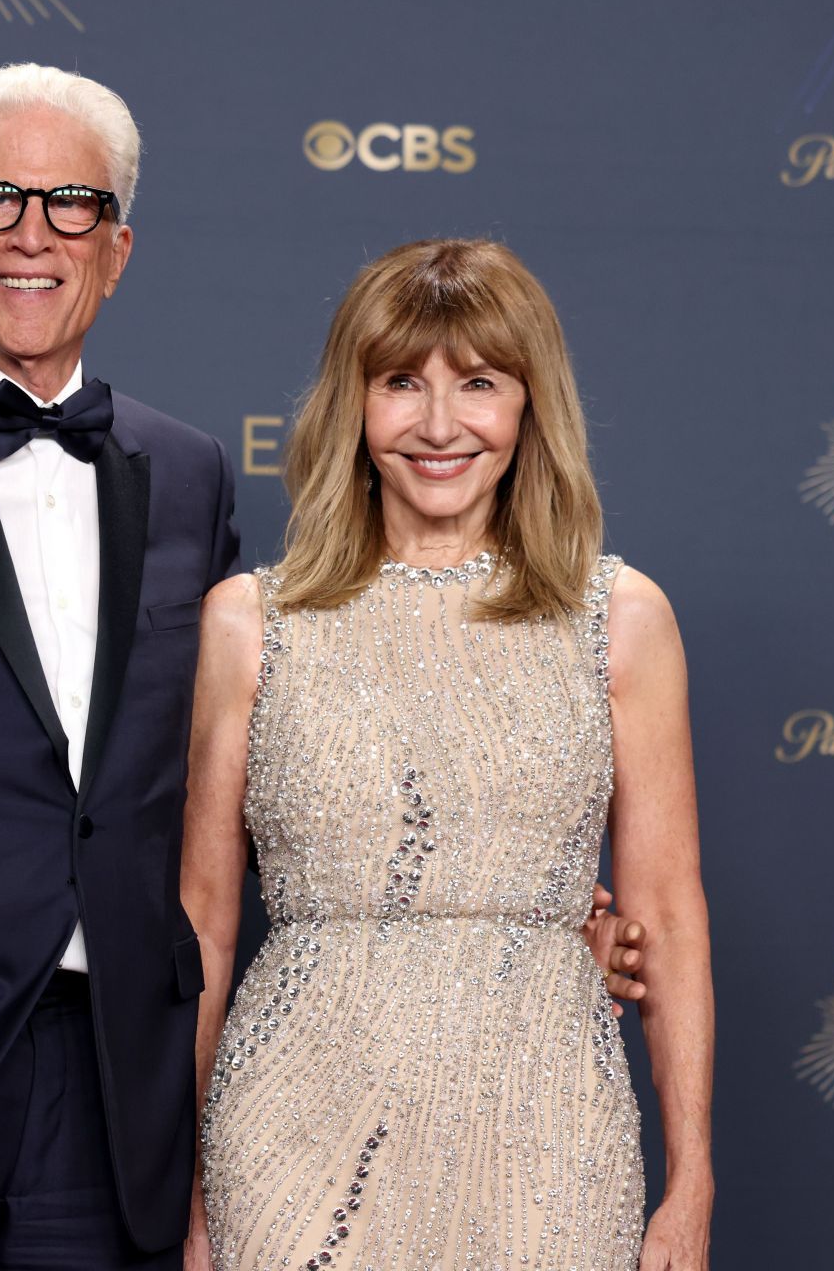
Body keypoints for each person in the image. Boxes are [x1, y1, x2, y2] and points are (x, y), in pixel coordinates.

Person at [0, 63, 652, 1270]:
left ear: (116, 250)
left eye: (71, 206)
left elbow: (266, 781)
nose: (32, 236)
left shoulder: (188, 474)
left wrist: (511, 935)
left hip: (117, 1098)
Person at [181, 239, 714, 1271]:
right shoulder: (250, 622)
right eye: (399, 384)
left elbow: (671, 912)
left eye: (478, 383)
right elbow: (202, 924)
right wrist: (191, 1196)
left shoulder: (619, 618)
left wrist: (690, 1184)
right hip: (292, 1125)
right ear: (354, 406)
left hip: (548, 1132)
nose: (437, 425)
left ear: (528, 407)